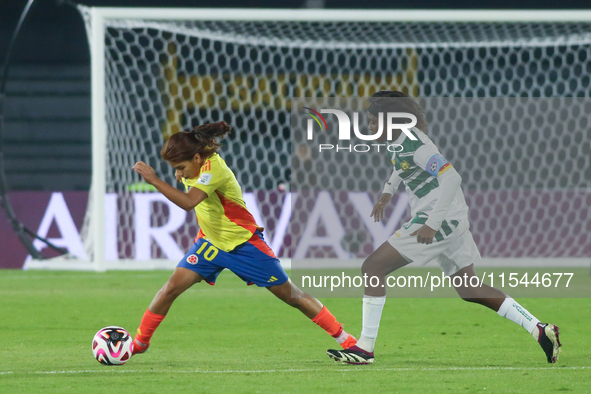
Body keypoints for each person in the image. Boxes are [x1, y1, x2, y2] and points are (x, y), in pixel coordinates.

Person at [326, 91, 561, 365]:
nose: (369, 127)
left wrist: (432, 224)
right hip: (451, 218)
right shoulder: (399, 141)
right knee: (469, 288)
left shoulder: (417, 146)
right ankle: (540, 330)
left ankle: (364, 348)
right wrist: (388, 192)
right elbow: (400, 165)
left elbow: (452, 177)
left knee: (373, 267)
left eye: (372, 122)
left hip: (439, 219)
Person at [131, 121, 357, 357]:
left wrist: (155, 180)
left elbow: (189, 203)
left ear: (197, 158)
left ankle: (348, 341)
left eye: (180, 167)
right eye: (174, 169)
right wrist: (179, 174)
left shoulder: (213, 170)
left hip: (243, 245)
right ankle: (139, 344)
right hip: (210, 243)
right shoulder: (194, 168)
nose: (178, 174)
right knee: (170, 289)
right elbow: (189, 188)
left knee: (292, 296)